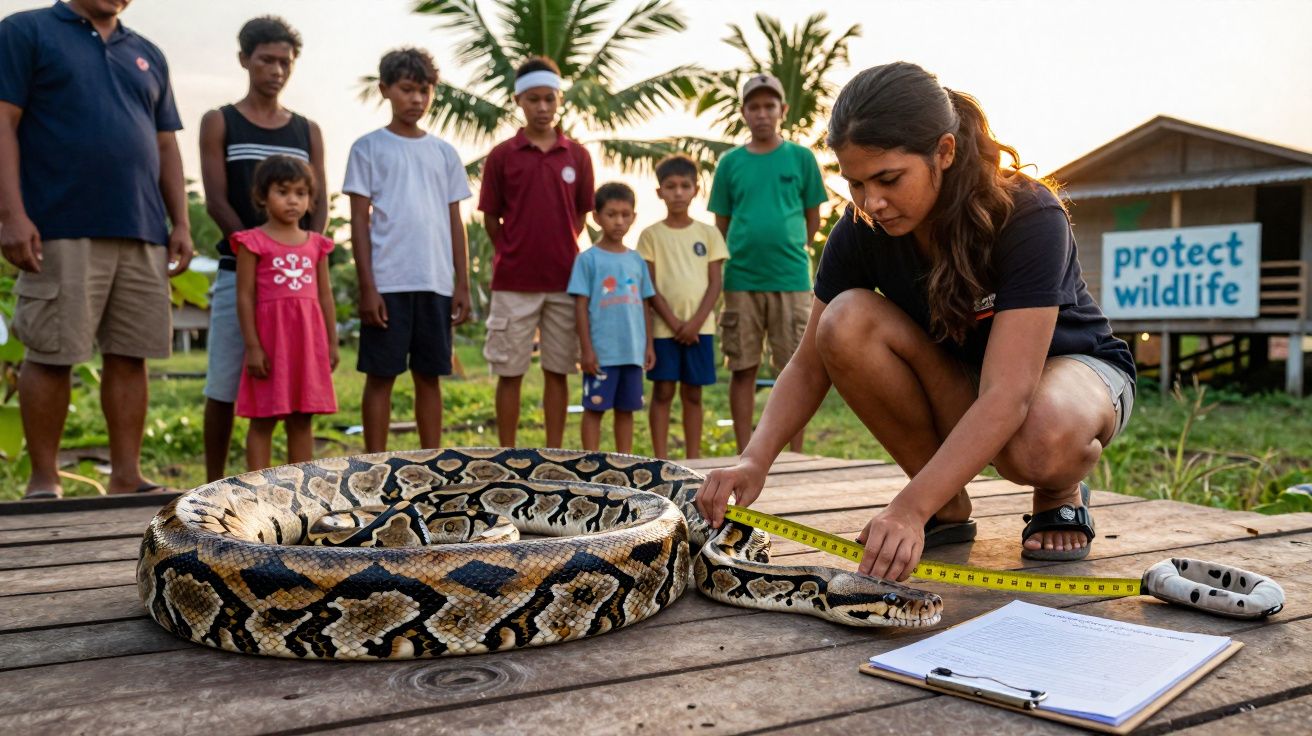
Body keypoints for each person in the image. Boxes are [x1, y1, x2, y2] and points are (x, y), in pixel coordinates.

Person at [696, 62, 1137, 582]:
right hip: (967, 379)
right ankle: (945, 503)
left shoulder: (1027, 212)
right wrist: (755, 460)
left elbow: (1007, 394)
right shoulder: (861, 227)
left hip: (1069, 374)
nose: (871, 202)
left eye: (888, 179)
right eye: (855, 183)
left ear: (944, 152)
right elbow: (810, 362)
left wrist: (906, 508)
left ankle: (1059, 492)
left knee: (1037, 440)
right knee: (843, 321)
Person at [0, 0, 193, 499]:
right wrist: (11, 215)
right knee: (51, 352)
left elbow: (166, 144)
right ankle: (44, 481)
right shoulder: (27, 31)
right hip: (59, 224)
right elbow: (4, 121)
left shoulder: (146, 52)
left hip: (142, 227)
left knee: (132, 355)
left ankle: (126, 476)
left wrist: (181, 223)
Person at [200, 16, 327, 481]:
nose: (276, 70)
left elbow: (320, 206)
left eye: (284, 62)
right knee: (224, 381)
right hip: (242, 272)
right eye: (266, 60)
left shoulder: (306, 130)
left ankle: (295, 488)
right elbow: (216, 198)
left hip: (295, 284)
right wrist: (259, 249)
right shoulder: (220, 121)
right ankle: (211, 482)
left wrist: (296, 254)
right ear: (244, 60)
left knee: (294, 393)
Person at [344, 47, 471, 453]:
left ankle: (432, 461)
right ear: (385, 90)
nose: (416, 99)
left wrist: (462, 284)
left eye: (424, 90)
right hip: (388, 282)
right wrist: (368, 287)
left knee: (430, 376)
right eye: (407, 89)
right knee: (381, 376)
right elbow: (359, 224)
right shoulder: (368, 148)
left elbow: (456, 223)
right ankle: (374, 463)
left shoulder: (444, 153)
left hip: (435, 281)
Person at [708, 73, 828, 455]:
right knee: (742, 367)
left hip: (791, 278)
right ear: (744, 112)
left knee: (794, 368)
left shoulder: (802, 158)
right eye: (754, 107)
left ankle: (793, 453)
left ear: (782, 110)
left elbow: (813, 215)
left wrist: (793, 247)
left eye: (769, 106)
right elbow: (722, 223)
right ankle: (745, 452)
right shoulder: (730, 163)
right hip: (741, 279)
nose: (762, 113)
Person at [479, 56, 595, 448]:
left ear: (559, 99)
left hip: (565, 280)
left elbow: (579, 213)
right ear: (519, 101)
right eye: (533, 99)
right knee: (510, 371)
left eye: (549, 99)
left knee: (558, 370)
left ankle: (554, 452)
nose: (542, 107)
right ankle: (507, 453)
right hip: (513, 282)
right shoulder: (502, 155)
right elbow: (491, 218)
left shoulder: (577, 155)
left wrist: (557, 246)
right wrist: (514, 251)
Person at [234, 155, 337, 470]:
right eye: (283, 192)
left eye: (301, 193)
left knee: (302, 418)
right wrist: (252, 346)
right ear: (262, 197)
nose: (293, 200)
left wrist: (331, 343)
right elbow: (245, 295)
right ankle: (257, 492)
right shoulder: (253, 242)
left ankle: (300, 491)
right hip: (269, 344)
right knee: (263, 419)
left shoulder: (316, 244)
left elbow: (325, 295)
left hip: (306, 344)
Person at [637, 154, 727, 459]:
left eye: (684, 186)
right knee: (662, 392)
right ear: (659, 192)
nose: (677, 192)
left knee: (693, 393)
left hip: (700, 329)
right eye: (670, 186)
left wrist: (694, 324)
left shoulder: (709, 234)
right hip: (665, 330)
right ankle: (660, 458)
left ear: (696, 189)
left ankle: (692, 458)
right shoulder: (650, 235)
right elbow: (648, 287)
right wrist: (676, 324)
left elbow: (715, 283)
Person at [567, 183, 655, 453]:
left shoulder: (637, 260)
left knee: (626, 410)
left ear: (634, 217)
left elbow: (644, 304)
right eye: (611, 214)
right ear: (597, 217)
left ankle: (623, 462)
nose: (619, 221)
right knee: (594, 407)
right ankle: (591, 462)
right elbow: (580, 306)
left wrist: (648, 345)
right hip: (602, 354)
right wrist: (586, 350)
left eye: (625, 214)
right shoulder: (587, 260)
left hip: (631, 352)